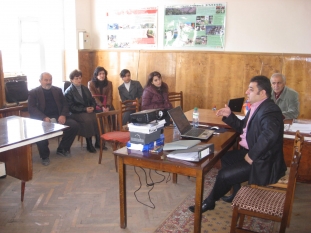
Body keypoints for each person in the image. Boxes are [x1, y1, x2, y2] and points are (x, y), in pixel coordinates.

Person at [189, 75, 287, 213]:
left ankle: (209, 202)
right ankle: (236, 192)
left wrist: (252, 155)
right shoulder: (257, 106)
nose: (247, 92)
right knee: (225, 158)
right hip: (253, 152)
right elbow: (243, 127)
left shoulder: (270, 110)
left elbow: (270, 135)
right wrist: (229, 115)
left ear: (263, 93)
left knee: (224, 174)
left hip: (264, 161)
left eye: (251, 89)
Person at [28, 72, 79, 166]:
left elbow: (65, 104)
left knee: (73, 125)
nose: (48, 82)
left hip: (58, 117)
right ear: (40, 81)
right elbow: (31, 108)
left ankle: (62, 149)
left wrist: (63, 115)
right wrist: (43, 117)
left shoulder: (58, 90)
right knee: (39, 132)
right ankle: (45, 156)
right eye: (46, 80)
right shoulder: (33, 92)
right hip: (42, 119)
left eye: (50, 80)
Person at [64, 69, 99, 153]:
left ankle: (98, 142)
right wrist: (85, 109)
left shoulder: (85, 88)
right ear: (71, 80)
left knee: (98, 117)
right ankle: (89, 144)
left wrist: (92, 107)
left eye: (80, 78)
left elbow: (92, 100)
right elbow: (71, 107)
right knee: (88, 120)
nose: (79, 80)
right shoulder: (68, 92)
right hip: (75, 113)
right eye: (76, 78)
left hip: (86, 111)